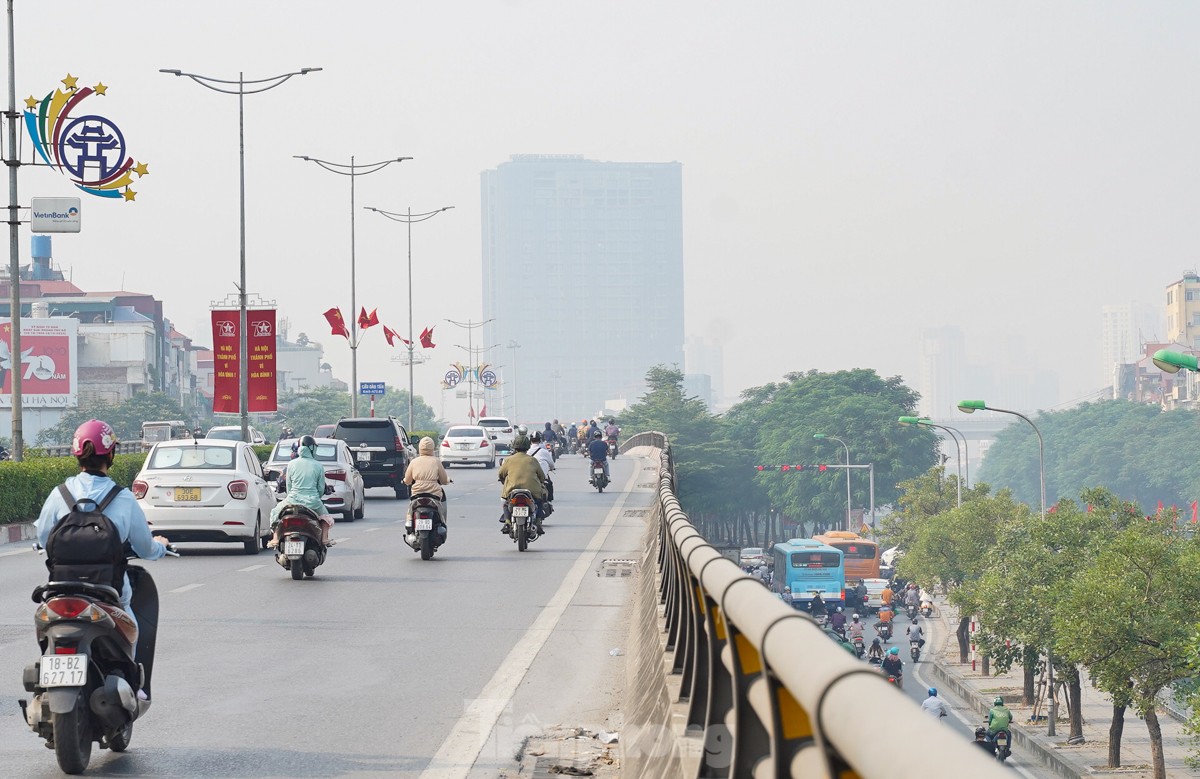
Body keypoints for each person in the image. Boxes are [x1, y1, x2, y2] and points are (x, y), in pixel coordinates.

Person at [36, 419, 169, 635]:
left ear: (77, 454)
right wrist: (160, 546)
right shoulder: (124, 498)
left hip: (61, 589)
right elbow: (146, 549)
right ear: (110, 454)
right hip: (110, 591)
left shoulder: (59, 494)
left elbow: (44, 539)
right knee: (132, 630)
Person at [269, 435, 335, 547]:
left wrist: (291, 496)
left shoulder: (291, 464)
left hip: (292, 500)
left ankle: (275, 539)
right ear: (311, 448)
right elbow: (320, 488)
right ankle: (324, 539)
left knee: (275, 513)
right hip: (313, 501)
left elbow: (289, 486)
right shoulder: (318, 465)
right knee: (326, 517)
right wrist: (316, 497)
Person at [497, 434, 548, 534]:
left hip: (512, 490)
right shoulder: (532, 460)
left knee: (505, 502)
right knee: (539, 501)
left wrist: (503, 480)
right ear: (527, 446)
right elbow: (542, 476)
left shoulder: (508, 460)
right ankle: (538, 523)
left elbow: (501, 474)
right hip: (532, 491)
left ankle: (507, 522)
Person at [402, 436, 452, 523]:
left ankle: (409, 521)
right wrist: (448, 480)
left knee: (410, 509)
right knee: (440, 511)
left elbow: (408, 480)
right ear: (432, 447)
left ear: (420, 447)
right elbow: (444, 480)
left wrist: (405, 481)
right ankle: (442, 521)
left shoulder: (414, 461)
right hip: (434, 493)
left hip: (417, 493)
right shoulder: (436, 461)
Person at [528, 431, 556, 501]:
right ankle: (548, 502)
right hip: (542, 479)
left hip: (529, 478)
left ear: (530, 440)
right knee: (549, 485)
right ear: (540, 440)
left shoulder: (527, 452)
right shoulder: (544, 451)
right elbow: (552, 465)